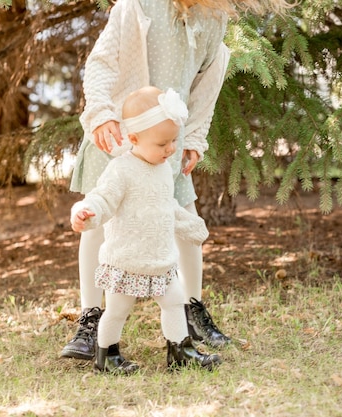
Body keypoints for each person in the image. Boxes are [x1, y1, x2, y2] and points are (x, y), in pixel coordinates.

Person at [62, 0, 293, 361]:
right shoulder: (137, 6)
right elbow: (102, 63)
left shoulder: (213, 17)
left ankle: (191, 311)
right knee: (96, 225)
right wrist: (101, 114)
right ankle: (91, 321)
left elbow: (207, 84)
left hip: (168, 146)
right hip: (120, 135)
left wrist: (196, 138)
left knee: (184, 219)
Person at [70, 86, 222, 373]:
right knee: (117, 310)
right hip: (127, 260)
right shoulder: (121, 170)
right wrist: (86, 214)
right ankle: (107, 355)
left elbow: (167, 206)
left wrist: (191, 226)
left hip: (161, 259)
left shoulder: (163, 169)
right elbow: (102, 199)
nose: (171, 149)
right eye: (163, 143)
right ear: (134, 139)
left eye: (174, 140)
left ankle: (181, 352)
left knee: (175, 303)